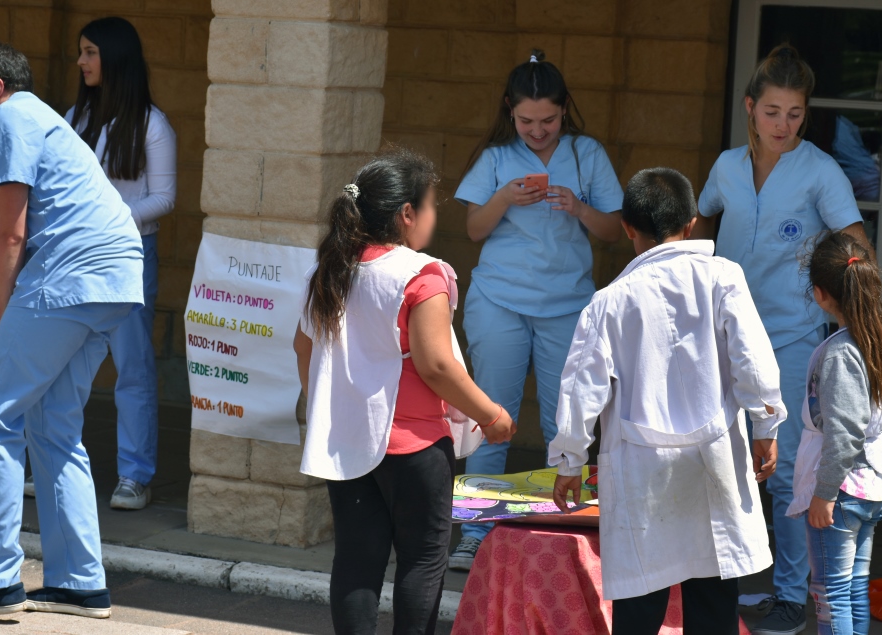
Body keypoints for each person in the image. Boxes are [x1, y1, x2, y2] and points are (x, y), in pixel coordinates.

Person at [549, 167, 787, 635]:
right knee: (713, 601)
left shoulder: (610, 301)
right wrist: (766, 426)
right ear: (692, 222)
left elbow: (581, 389)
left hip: (644, 469)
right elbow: (754, 362)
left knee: (640, 606)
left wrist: (569, 460)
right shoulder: (724, 277)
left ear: (628, 229)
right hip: (714, 459)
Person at [294, 149, 516, 635]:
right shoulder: (423, 272)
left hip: (348, 442)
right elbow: (436, 364)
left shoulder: (331, 267)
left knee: (356, 560)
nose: (435, 216)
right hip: (415, 447)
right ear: (407, 214)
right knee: (422, 559)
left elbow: (303, 347)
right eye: (433, 204)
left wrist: (320, 409)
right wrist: (491, 413)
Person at [695, 44, 874, 635]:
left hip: (792, 335)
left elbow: (856, 248)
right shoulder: (724, 166)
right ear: (750, 107)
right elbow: (699, 225)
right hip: (723, 335)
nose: (783, 125)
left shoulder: (821, 170)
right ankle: (724, 584)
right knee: (719, 457)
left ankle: (793, 594)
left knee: (789, 465)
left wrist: (851, 316)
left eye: (795, 113)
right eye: (772, 111)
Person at [0, 39, 143, 618]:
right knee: (54, 426)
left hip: (72, 273)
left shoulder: (12, 116)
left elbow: (10, 234)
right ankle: (77, 583)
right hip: (115, 278)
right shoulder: (42, 116)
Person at [450, 50, 624, 570]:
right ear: (510, 111)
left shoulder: (586, 153)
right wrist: (504, 197)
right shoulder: (498, 156)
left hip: (567, 306)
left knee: (566, 423)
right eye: (526, 120)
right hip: (499, 300)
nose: (537, 130)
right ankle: (476, 532)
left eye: (548, 120)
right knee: (490, 417)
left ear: (564, 111)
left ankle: (559, 533)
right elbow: (474, 229)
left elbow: (615, 231)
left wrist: (579, 207)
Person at [22, 17, 176, 511]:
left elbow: (165, 198)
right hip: (75, 254)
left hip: (131, 254)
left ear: (113, 57)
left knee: (131, 366)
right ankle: (49, 463)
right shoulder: (75, 118)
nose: (82, 62)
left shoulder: (152, 124)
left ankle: (134, 475)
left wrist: (108, 218)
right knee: (61, 359)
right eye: (80, 52)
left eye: (90, 52)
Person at [787, 231, 882, 635]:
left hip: (840, 493)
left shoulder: (840, 352)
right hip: (870, 486)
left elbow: (844, 432)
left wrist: (823, 494)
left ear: (821, 293)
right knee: (853, 588)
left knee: (830, 594)